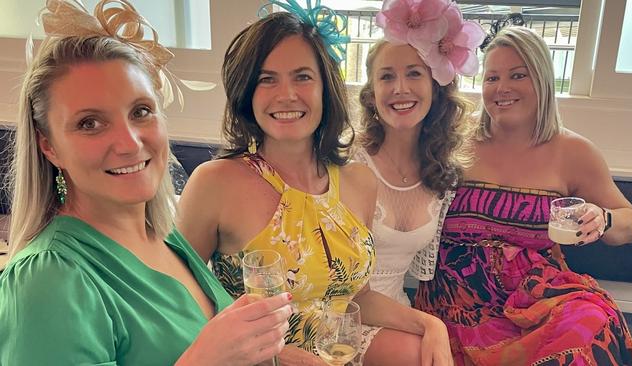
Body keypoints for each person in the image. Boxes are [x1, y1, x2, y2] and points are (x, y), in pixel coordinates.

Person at [0, 1, 292, 365]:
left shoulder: (165, 236)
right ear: (49, 146)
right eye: (90, 123)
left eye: (140, 112)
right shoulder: (47, 281)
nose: (129, 143)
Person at [176, 2, 452, 365]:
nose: (286, 94)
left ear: (326, 88)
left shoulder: (359, 181)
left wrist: (431, 325)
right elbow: (179, 307)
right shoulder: (216, 182)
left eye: (302, 76)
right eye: (266, 78)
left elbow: (359, 297)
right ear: (246, 93)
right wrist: (284, 357)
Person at [415, 16, 632, 365]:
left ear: (542, 80)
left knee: (591, 323)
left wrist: (604, 218)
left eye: (518, 75)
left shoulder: (574, 152)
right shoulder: (454, 142)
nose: (502, 87)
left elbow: (630, 225)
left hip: (537, 297)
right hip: (456, 300)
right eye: (492, 77)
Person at [353, 0, 483, 307]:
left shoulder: (443, 174)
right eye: (386, 76)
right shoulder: (350, 163)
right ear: (372, 94)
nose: (400, 88)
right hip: (344, 319)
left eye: (414, 73)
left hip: (398, 313)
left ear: (435, 87)